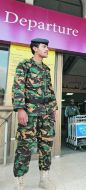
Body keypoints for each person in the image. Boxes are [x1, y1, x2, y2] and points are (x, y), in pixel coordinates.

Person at [12, 38, 57, 189]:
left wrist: (53, 110)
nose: (47, 49)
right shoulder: (24, 65)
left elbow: (50, 91)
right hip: (29, 112)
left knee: (46, 146)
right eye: (44, 46)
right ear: (35, 48)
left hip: (46, 114)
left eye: (47, 47)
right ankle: (19, 182)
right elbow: (18, 87)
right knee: (25, 147)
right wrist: (20, 109)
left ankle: (44, 179)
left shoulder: (46, 69)